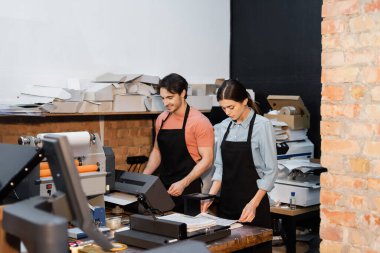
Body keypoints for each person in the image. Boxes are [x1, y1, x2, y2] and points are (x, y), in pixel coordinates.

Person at [201, 79, 278, 253]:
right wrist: (209, 197)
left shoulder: (262, 126)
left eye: (231, 107)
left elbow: (271, 171)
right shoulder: (222, 127)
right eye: (223, 108)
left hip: (254, 207)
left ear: (244, 101)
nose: (227, 112)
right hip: (227, 207)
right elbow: (220, 168)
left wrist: (253, 204)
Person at [143, 73, 214, 213]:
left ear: (183, 93)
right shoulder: (161, 119)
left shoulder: (199, 122)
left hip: (188, 189)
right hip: (163, 187)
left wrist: (183, 183)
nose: (165, 103)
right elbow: (157, 151)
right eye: (163, 98)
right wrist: (144, 178)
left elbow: (208, 160)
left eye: (170, 98)